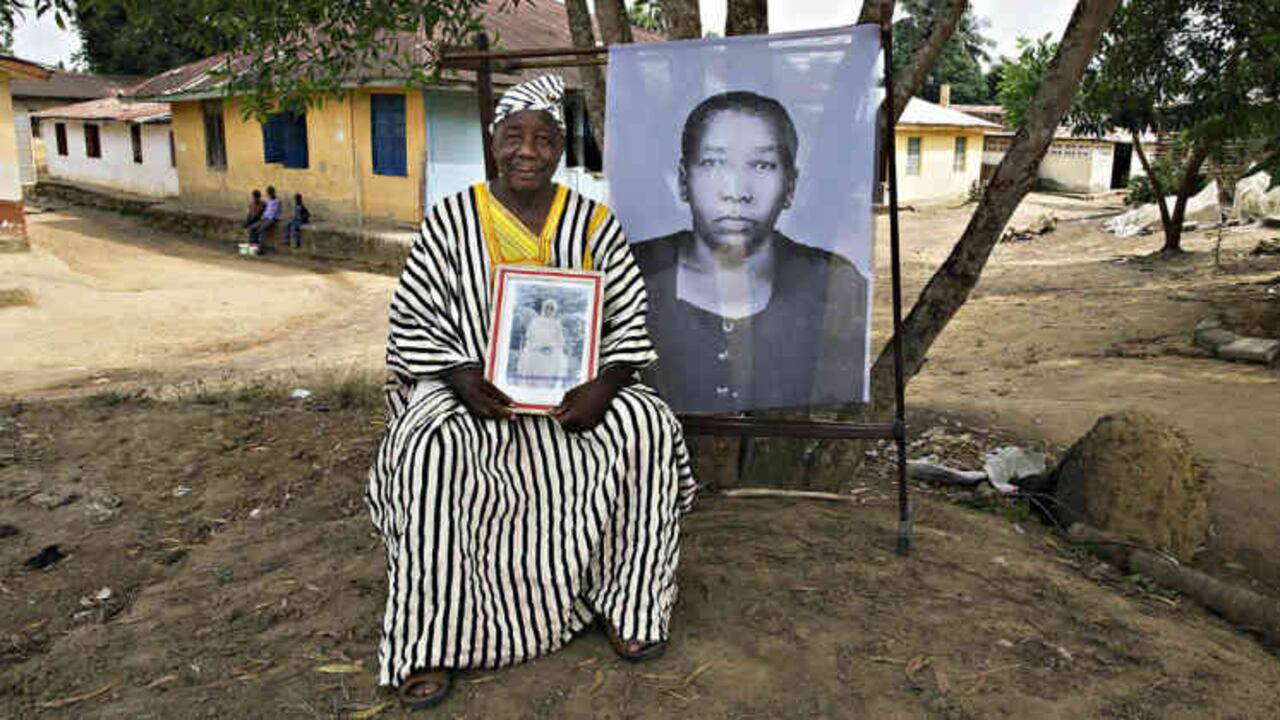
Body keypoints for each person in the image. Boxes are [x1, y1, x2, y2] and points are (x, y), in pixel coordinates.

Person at [366, 74, 696, 710]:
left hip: (575, 394)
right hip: (471, 390)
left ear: (559, 150)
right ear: (494, 144)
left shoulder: (593, 223)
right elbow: (413, 318)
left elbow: (628, 318)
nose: (528, 151)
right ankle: (428, 639)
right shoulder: (450, 221)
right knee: (428, 446)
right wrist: (461, 376)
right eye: (514, 137)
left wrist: (607, 382)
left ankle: (629, 605)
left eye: (544, 139)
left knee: (647, 427)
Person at [632, 91, 869, 413]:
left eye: (761, 165)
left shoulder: (831, 281)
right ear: (684, 180)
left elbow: (838, 410)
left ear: (791, 185)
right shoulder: (632, 272)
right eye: (713, 163)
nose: (736, 192)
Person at [516, 298, 569, 385]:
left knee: (558, 357)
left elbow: (560, 340)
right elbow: (530, 336)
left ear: (554, 311)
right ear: (543, 309)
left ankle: (549, 385)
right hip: (535, 347)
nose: (549, 311)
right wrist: (539, 347)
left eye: (551, 309)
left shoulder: (556, 323)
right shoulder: (536, 321)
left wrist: (550, 347)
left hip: (551, 349)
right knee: (529, 355)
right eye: (547, 308)